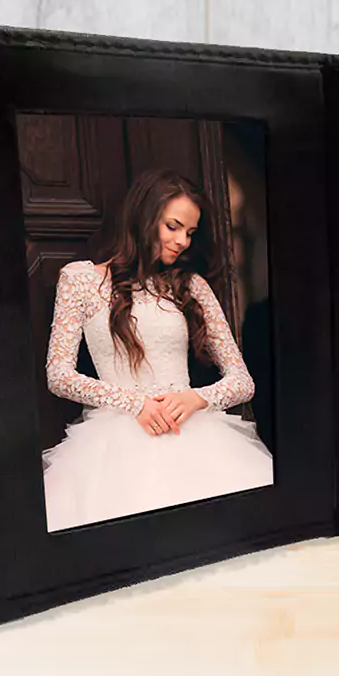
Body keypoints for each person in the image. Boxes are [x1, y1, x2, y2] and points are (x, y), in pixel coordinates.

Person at [41, 169, 273, 531]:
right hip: (112, 447)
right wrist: (136, 403)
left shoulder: (191, 286)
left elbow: (242, 381)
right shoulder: (80, 279)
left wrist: (195, 399)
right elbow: (58, 375)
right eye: (173, 226)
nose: (182, 241)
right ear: (144, 217)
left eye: (191, 233)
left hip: (196, 436)